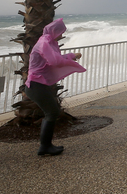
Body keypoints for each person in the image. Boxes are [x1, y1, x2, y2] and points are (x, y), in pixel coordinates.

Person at [24, 18, 86, 156]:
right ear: (54, 31)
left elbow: (54, 58)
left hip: (40, 84)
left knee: (52, 112)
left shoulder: (48, 42)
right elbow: (55, 61)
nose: (62, 35)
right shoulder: (44, 43)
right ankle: (45, 146)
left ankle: (46, 145)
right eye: (60, 32)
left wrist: (70, 56)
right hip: (35, 85)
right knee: (52, 112)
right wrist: (72, 56)